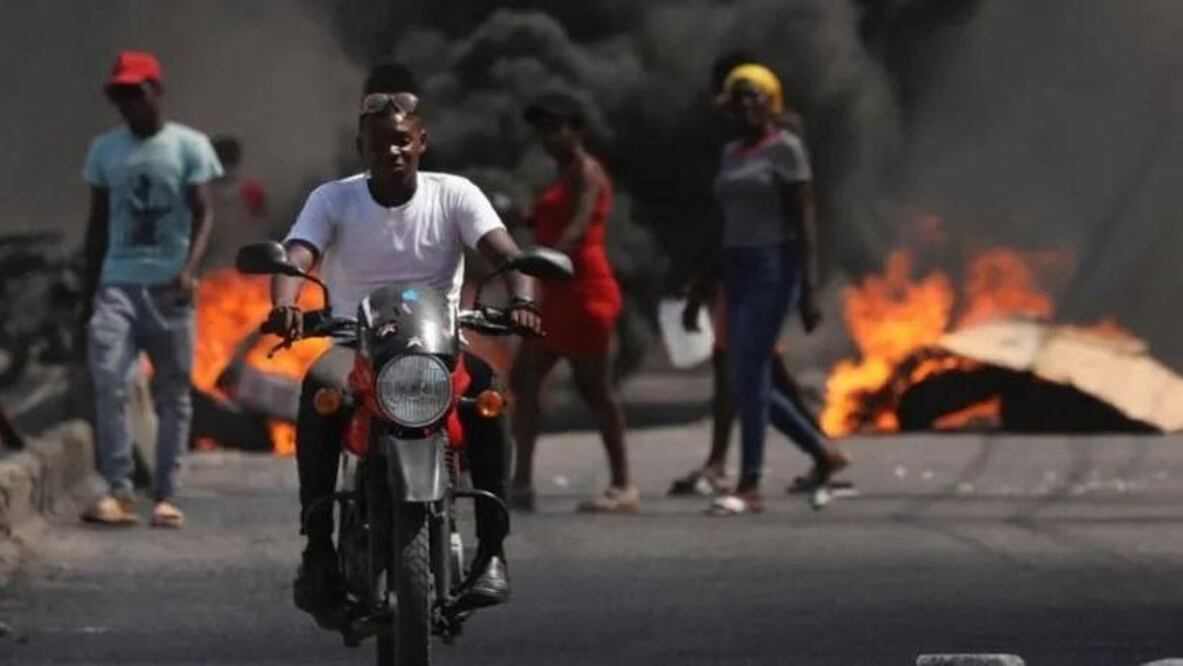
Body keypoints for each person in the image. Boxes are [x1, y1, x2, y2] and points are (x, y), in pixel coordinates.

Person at [267, 64, 541, 628]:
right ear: (360, 147)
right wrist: (287, 300)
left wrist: (523, 298)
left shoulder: (456, 195)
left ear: (421, 142)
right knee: (320, 392)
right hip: (357, 345)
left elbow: (507, 253)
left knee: (490, 402)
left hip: (438, 344)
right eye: (378, 142)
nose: (392, 151)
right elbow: (296, 254)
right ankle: (317, 550)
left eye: (401, 140)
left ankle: (493, 552)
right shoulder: (333, 199)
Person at [80, 51, 223, 528]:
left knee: (174, 394)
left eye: (135, 94)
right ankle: (119, 491)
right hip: (118, 285)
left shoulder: (190, 147)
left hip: (169, 288)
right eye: (120, 96)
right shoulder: (104, 150)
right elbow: (97, 224)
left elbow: (204, 213)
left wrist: (189, 268)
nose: (128, 104)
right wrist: (88, 291)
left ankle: (166, 493)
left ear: (156, 91)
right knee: (111, 382)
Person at [703, 63, 845, 515]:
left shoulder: (786, 151)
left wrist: (808, 287)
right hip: (737, 266)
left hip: (773, 265)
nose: (746, 104)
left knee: (748, 371)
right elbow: (724, 222)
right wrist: (704, 283)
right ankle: (822, 452)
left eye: (754, 95)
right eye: (738, 96)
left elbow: (805, 221)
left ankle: (750, 484)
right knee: (747, 378)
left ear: (771, 101)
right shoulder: (730, 155)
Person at [509, 92, 638, 514]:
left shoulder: (587, 171)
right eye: (542, 130)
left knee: (596, 389)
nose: (547, 137)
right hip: (556, 293)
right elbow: (545, 220)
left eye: (555, 128)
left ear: (576, 130)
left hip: (584, 292)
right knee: (524, 379)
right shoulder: (561, 174)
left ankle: (623, 485)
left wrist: (544, 257)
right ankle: (521, 483)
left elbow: (579, 226)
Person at [203, 136, 271, 269]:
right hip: (218, 265)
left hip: (245, 264)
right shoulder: (202, 194)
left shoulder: (252, 191)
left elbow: (262, 230)